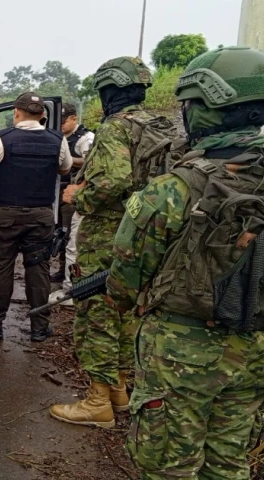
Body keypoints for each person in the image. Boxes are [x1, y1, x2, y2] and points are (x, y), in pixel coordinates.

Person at [108, 46, 264, 480]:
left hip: (182, 353)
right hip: (256, 350)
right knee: (230, 462)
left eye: (191, 104)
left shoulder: (174, 188)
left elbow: (124, 281)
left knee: (169, 466)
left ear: (210, 107)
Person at [51, 57, 164, 428]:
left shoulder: (116, 128)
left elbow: (112, 182)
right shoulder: (157, 126)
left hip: (107, 238)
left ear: (108, 90)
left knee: (97, 313)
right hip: (143, 238)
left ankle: (97, 402)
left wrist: (77, 197)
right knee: (126, 313)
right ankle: (118, 391)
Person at [0, 92, 72, 342]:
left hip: (6, 216)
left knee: (1, 268)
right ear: (43, 116)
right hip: (41, 216)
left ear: (16, 112)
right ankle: (39, 327)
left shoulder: (0, 139)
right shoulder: (58, 140)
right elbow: (65, 168)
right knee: (38, 269)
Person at [51, 103, 95, 289]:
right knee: (59, 233)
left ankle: (71, 278)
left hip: (73, 194)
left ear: (74, 118)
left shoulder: (85, 138)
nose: (60, 125)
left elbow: (89, 160)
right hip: (56, 193)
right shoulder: (56, 136)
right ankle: (62, 270)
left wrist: (65, 157)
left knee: (70, 236)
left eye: (64, 121)